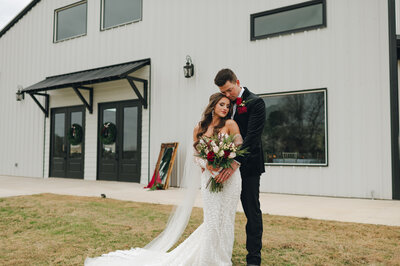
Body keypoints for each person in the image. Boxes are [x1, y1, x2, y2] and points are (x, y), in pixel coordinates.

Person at [85, 93, 243, 266]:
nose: (225, 109)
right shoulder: (199, 128)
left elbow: (239, 146)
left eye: (228, 106)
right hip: (208, 176)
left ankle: (222, 259)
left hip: (229, 178)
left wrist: (225, 162)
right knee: (212, 220)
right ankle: (208, 260)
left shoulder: (230, 124)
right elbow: (196, 155)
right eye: (222, 104)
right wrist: (208, 164)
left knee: (226, 220)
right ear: (213, 106)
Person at [214, 69, 266, 266]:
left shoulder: (255, 102)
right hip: (225, 166)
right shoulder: (225, 104)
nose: (227, 95)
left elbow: (252, 137)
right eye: (223, 92)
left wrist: (236, 162)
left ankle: (253, 259)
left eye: (229, 90)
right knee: (222, 211)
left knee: (251, 211)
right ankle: (218, 253)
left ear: (237, 81)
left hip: (249, 166)